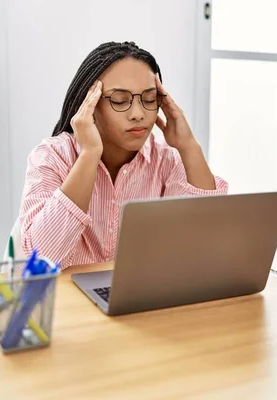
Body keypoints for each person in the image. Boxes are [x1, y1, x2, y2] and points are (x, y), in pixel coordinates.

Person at [18, 41, 228, 267]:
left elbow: (204, 241)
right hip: (68, 299)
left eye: (149, 99)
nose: (138, 114)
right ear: (90, 104)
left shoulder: (166, 161)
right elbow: (39, 259)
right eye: (120, 100)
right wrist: (89, 154)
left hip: (142, 297)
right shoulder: (51, 157)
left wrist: (189, 146)